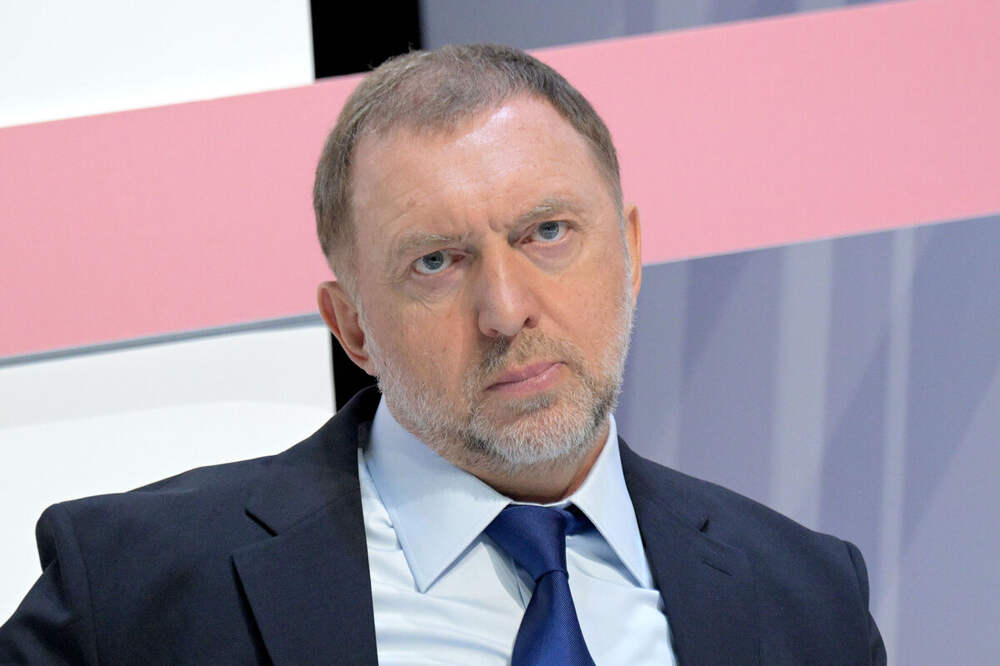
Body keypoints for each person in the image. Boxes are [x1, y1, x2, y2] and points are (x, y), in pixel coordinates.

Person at [0, 44, 885, 665]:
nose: (505, 310)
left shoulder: (809, 596)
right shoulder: (131, 588)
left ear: (630, 252)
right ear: (351, 328)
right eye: (436, 261)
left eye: (547, 232)